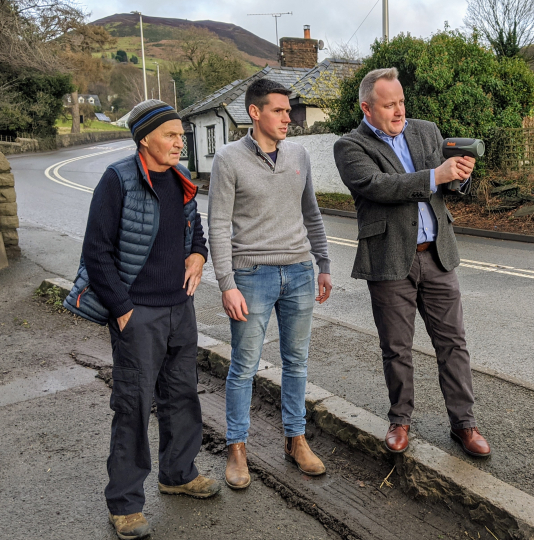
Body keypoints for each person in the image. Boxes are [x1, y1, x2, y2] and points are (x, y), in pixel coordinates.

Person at [64, 99, 219, 540]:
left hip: (179, 307)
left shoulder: (183, 179)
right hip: (138, 312)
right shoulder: (117, 180)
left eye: (180, 134)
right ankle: (126, 503)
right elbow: (96, 251)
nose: (179, 142)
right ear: (145, 139)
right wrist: (123, 310)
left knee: (182, 396)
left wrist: (197, 254)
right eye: (170, 134)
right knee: (132, 405)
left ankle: (178, 473)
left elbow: (196, 229)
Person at [332, 68, 490, 458]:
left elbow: (447, 186)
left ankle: (464, 425)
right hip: (389, 260)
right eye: (389, 105)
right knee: (396, 348)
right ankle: (400, 420)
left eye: (402, 101)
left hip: (437, 254)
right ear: (367, 108)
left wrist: (460, 176)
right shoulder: (349, 146)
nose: (399, 110)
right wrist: (436, 175)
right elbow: (379, 187)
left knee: (453, 343)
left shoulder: (427, 130)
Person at [208, 78, 332, 487]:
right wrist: (226, 283)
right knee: (243, 367)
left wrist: (323, 264)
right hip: (250, 277)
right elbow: (219, 227)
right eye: (279, 110)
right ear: (255, 112)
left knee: (296, 363)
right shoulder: (228, 159)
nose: (288, 117)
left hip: (298, 271)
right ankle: (237, 449)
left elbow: (311, 213)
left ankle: (295, 440)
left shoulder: (299, 154)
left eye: (289, 110)